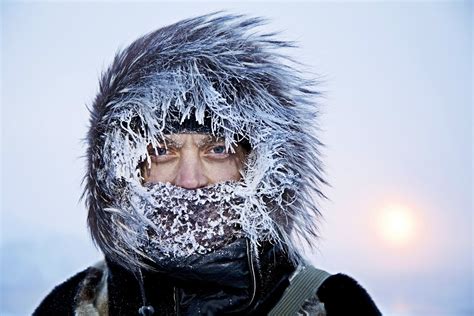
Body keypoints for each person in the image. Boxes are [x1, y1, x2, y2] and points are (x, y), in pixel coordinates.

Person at [34, 13, 381, 315]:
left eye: (218, 150)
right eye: (161, 151)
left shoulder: (335, 305)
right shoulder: (74, 304)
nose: (190, 179)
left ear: (258, 167)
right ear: (125, 170)